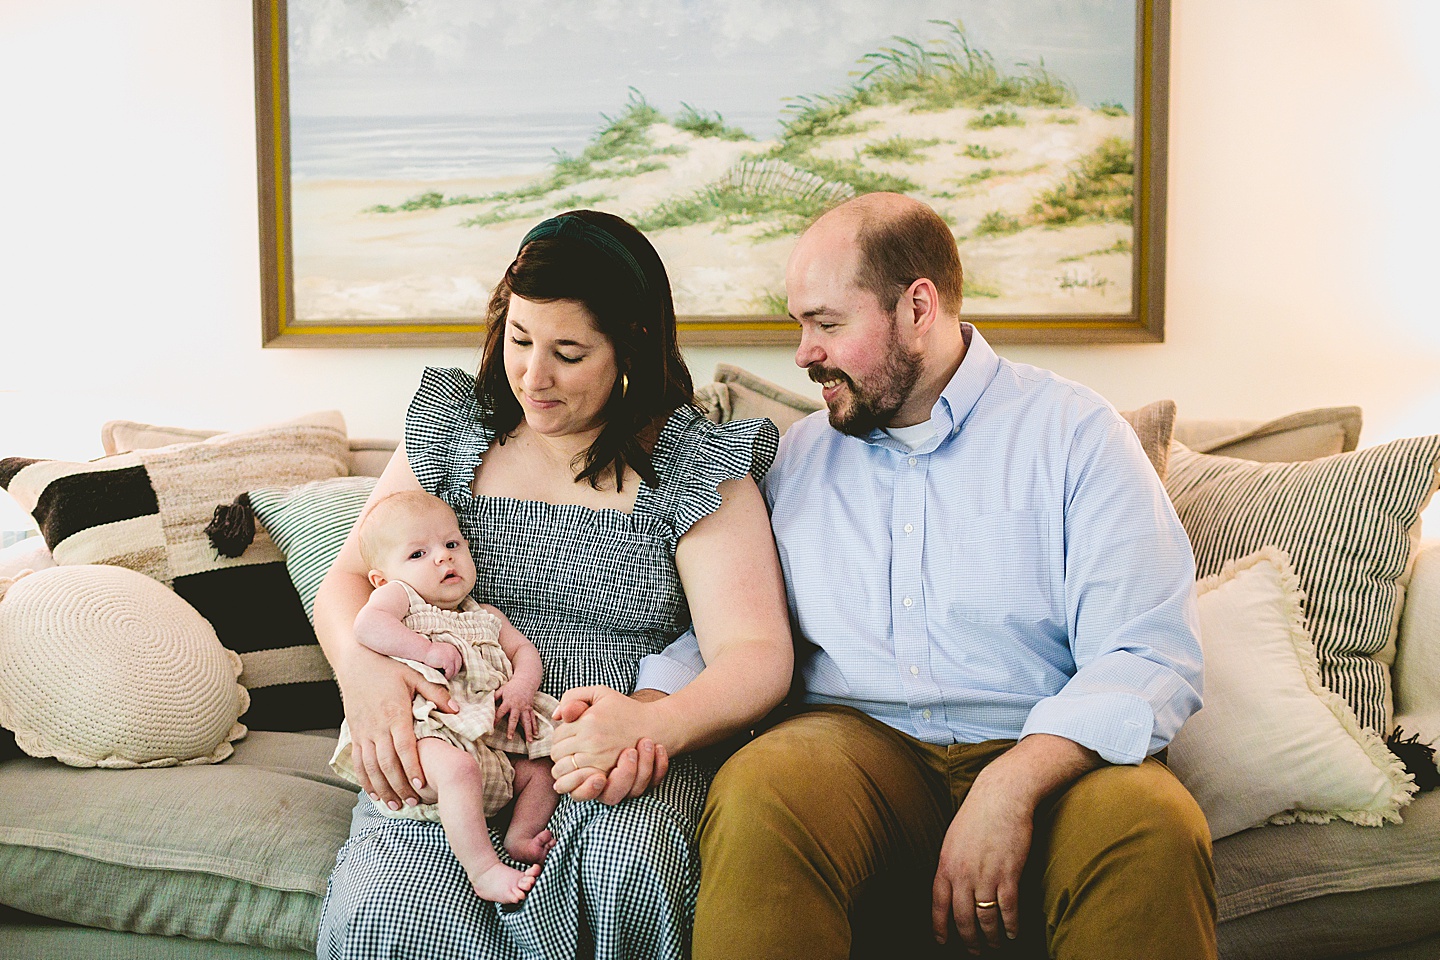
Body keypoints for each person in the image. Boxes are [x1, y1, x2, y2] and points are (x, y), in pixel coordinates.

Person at [622, 193, 1217, 959]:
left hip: (1049, 751)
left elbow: (1148, 653)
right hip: (855, 753)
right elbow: (734, 628)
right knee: (763, 787)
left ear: (917, 308)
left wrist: (1012, 783)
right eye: (799, 325)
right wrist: (645, 707)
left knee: (1154, 824)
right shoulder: (794, 458)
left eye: (827, 324)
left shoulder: (1075, 436)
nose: (803, 353)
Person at [312, 210, 792, 960]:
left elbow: (757, 651)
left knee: (625, 871)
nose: (534, 376)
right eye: (520, 340)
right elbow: (348, 577)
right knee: (388, 912)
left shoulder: (697, 466)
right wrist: (364, 675)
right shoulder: (453, 431)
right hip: (457, 738)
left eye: (568, 352)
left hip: (615, 749)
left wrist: (651, 727)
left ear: (630, 344)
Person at [329, 490, 559, 904]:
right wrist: (426, 651)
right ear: (383, 577)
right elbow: (367, 626)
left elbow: (525, 651)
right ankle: (484, 869)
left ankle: (520, 836)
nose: (443, 558)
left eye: (451, 545)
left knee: (544, 771)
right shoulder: (400, 598)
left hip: (488, 745)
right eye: (418, 553)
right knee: (456, 771)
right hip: (426, 732)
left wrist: (523, 685)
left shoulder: (486, 616)